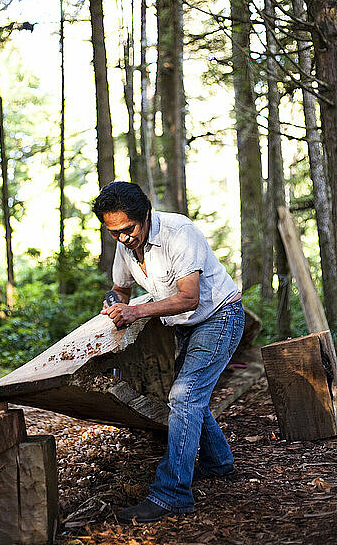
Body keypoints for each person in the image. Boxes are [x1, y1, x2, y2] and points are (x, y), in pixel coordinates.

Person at [93, 181, 245, 524]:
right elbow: (120, 289)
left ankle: (172, 494)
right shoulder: (124, 243)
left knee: (184, 396)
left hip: (219, 316)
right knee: (190, 397)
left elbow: (189, 297)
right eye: (113, 232)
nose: (123, 237)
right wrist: (114, 304)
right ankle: (218, 463)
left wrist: (134, 312)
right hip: (184, 325)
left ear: (145, 215)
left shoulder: (180, 232)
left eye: (128, 229)